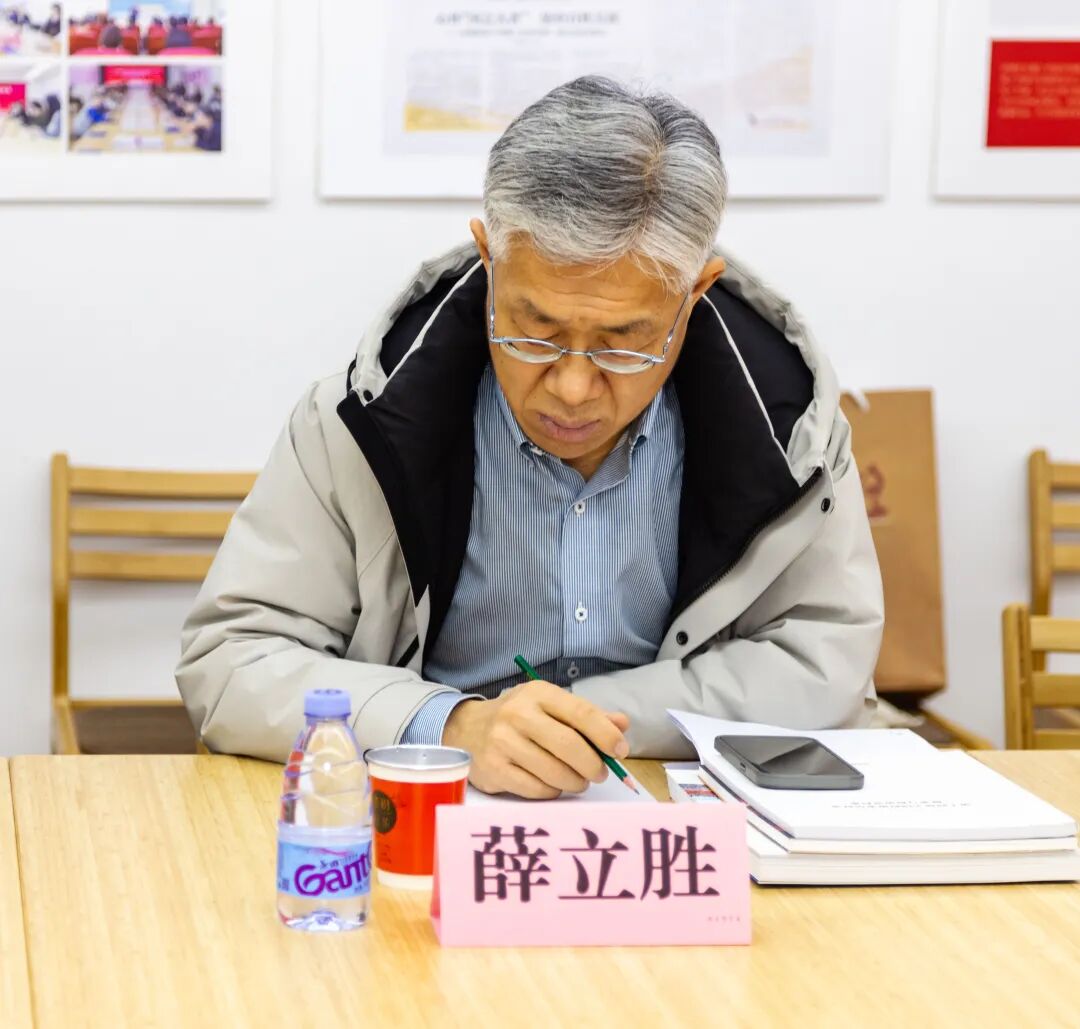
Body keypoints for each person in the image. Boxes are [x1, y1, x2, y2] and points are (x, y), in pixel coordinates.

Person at [177, 76, 883, 798]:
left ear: (693, 295)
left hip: (672, 815)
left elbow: (824, 663)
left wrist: (585, 723)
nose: (572, 387)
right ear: (489, 261)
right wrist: (449, 724)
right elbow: (232, 659)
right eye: (534, 330)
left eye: (623, 343)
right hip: (430, 804)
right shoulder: (359, 420)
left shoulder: (791, 434)